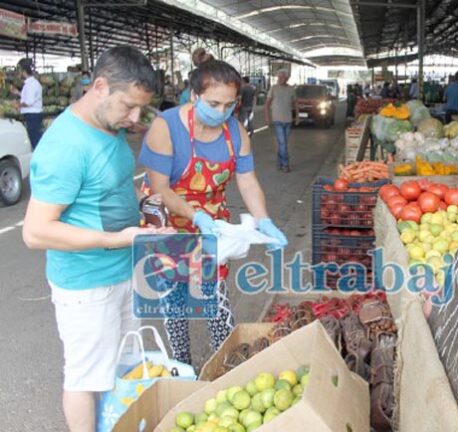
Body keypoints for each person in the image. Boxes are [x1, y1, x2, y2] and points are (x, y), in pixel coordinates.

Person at [22, 46, 160, 432]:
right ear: (99, 86)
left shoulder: (110, 128)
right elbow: (35, 232)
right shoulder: (66, 145)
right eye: (128, 106)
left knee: (122, 367)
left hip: (121, 270)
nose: (134, 118)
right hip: (87, 283)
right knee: (86, 378)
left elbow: (108, 188)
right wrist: (118, 238)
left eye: (140, 109)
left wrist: (142, 203)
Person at [139, 59, 288, 364]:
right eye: (213, 103)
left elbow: (247, 182)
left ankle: (226, 366)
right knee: (175, 304)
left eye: (229, 105)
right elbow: (160, 190)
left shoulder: (236, 133)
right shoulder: (165, 128)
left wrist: (264, 219)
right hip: (168, 222)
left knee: (214, 297)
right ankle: (181, 369)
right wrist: (196, 217)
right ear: (193, 96)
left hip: (212, 225)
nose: (221, 112)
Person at [264, 69, 298, 173]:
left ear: (287, 78)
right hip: (277, 120)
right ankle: (285, 165)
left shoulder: (291, 89)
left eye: (282, 77)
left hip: (288, 120)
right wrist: (267, 117)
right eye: (278, 77)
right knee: (282, 143)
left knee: (283, 144)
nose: (280, 79)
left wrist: (297, 117)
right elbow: (267, 104)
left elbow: (295, 103)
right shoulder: (273, 88)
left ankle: (279, 162)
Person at [12, 60, 43, 149]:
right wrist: (18, 93)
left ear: (24, 72)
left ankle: (39, 159)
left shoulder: (31, 85)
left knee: (35, 140)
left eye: (20, 71)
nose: (19, 74)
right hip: (33, 116)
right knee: (34, 138)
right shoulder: (31, 84)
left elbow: (29, 102)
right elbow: (29, 97)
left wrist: (18, 105)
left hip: (33, 116)